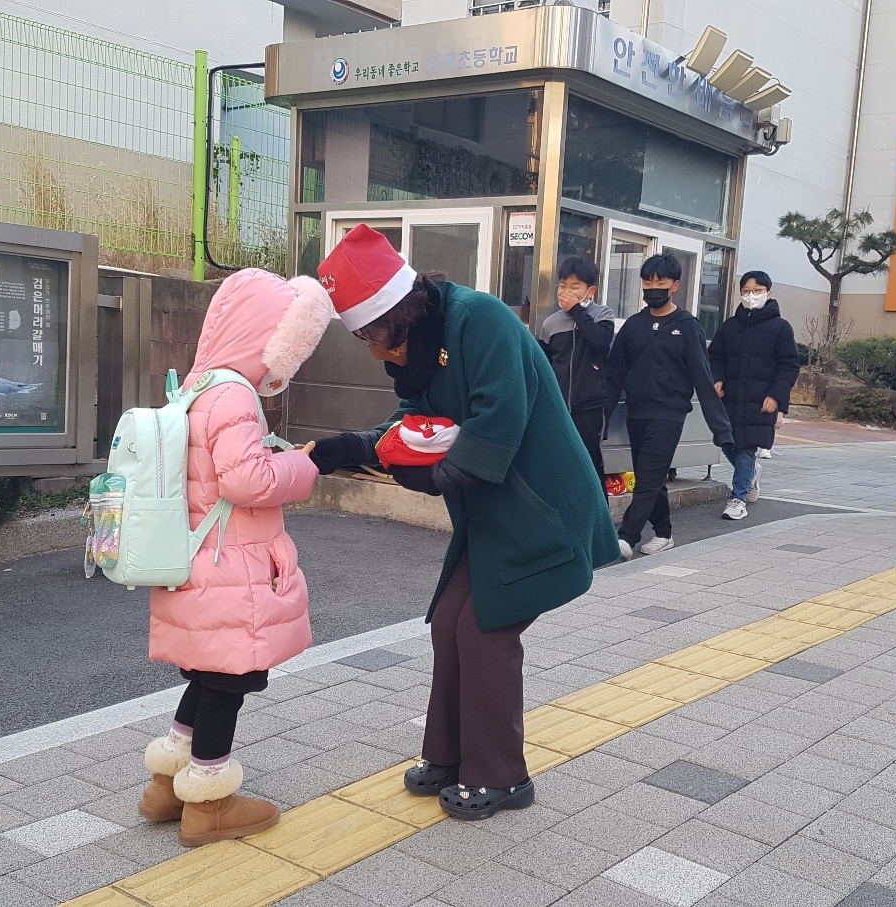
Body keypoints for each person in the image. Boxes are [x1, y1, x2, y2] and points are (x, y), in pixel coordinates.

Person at [306, 225, 618, 821]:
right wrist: (344, 449)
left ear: (399, 313)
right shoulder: (423, 341)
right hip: (495, 514)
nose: (372, 350)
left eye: (372, 335)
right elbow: (409, 427)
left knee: (485, 630)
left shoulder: (481, 319)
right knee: (449, 620)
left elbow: (498, 422)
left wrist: (433, 477)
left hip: (542, 506)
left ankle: (503, 777)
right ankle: (450, 757)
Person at [138, 268, 334, 846]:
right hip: (232, 564)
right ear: (267, 337)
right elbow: (246, 480)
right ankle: (210, 804)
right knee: (228, 680)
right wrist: (301, 466)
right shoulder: (235, 395)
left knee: (207, 673)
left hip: (197, 558)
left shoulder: (197, 386)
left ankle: (165, 784)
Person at [607, 253, 733, 556]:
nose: (653, 288)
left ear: (675, 285)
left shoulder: (687, 327)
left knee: (648, 479)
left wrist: (722, 430)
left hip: (669, 415)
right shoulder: (634, 326)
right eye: (647, 282)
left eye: (660, 282)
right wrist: (601, 416)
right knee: (650, 477)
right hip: (637, 414)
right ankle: (664, 533)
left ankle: (626, 538)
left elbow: (703, 378)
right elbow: (614, 374)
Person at [707, 270, 799, 520]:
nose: (751, 296)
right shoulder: (730, 326)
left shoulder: (780, 328)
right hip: (730, 398)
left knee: (746, 448)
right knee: (727, 443)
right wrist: (717, 379)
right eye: (746, 291)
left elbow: (789, 365)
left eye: (757, 291)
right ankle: (751, 472)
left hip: (761, 401)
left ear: (769, 293)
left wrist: (776, 396)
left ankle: (738, 498)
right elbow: (715, 356)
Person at [537, 256, 615, 492]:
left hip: (589, 405)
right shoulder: (551, 323)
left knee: (590, 462)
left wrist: (577, 312)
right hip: (558, 406)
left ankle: (598, 511)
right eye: (562, 286)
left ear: (590, 291)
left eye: (574, 287)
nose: (566, 292)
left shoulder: (603, 315)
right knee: (558, 463)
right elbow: (542, 365)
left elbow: (600, 342)